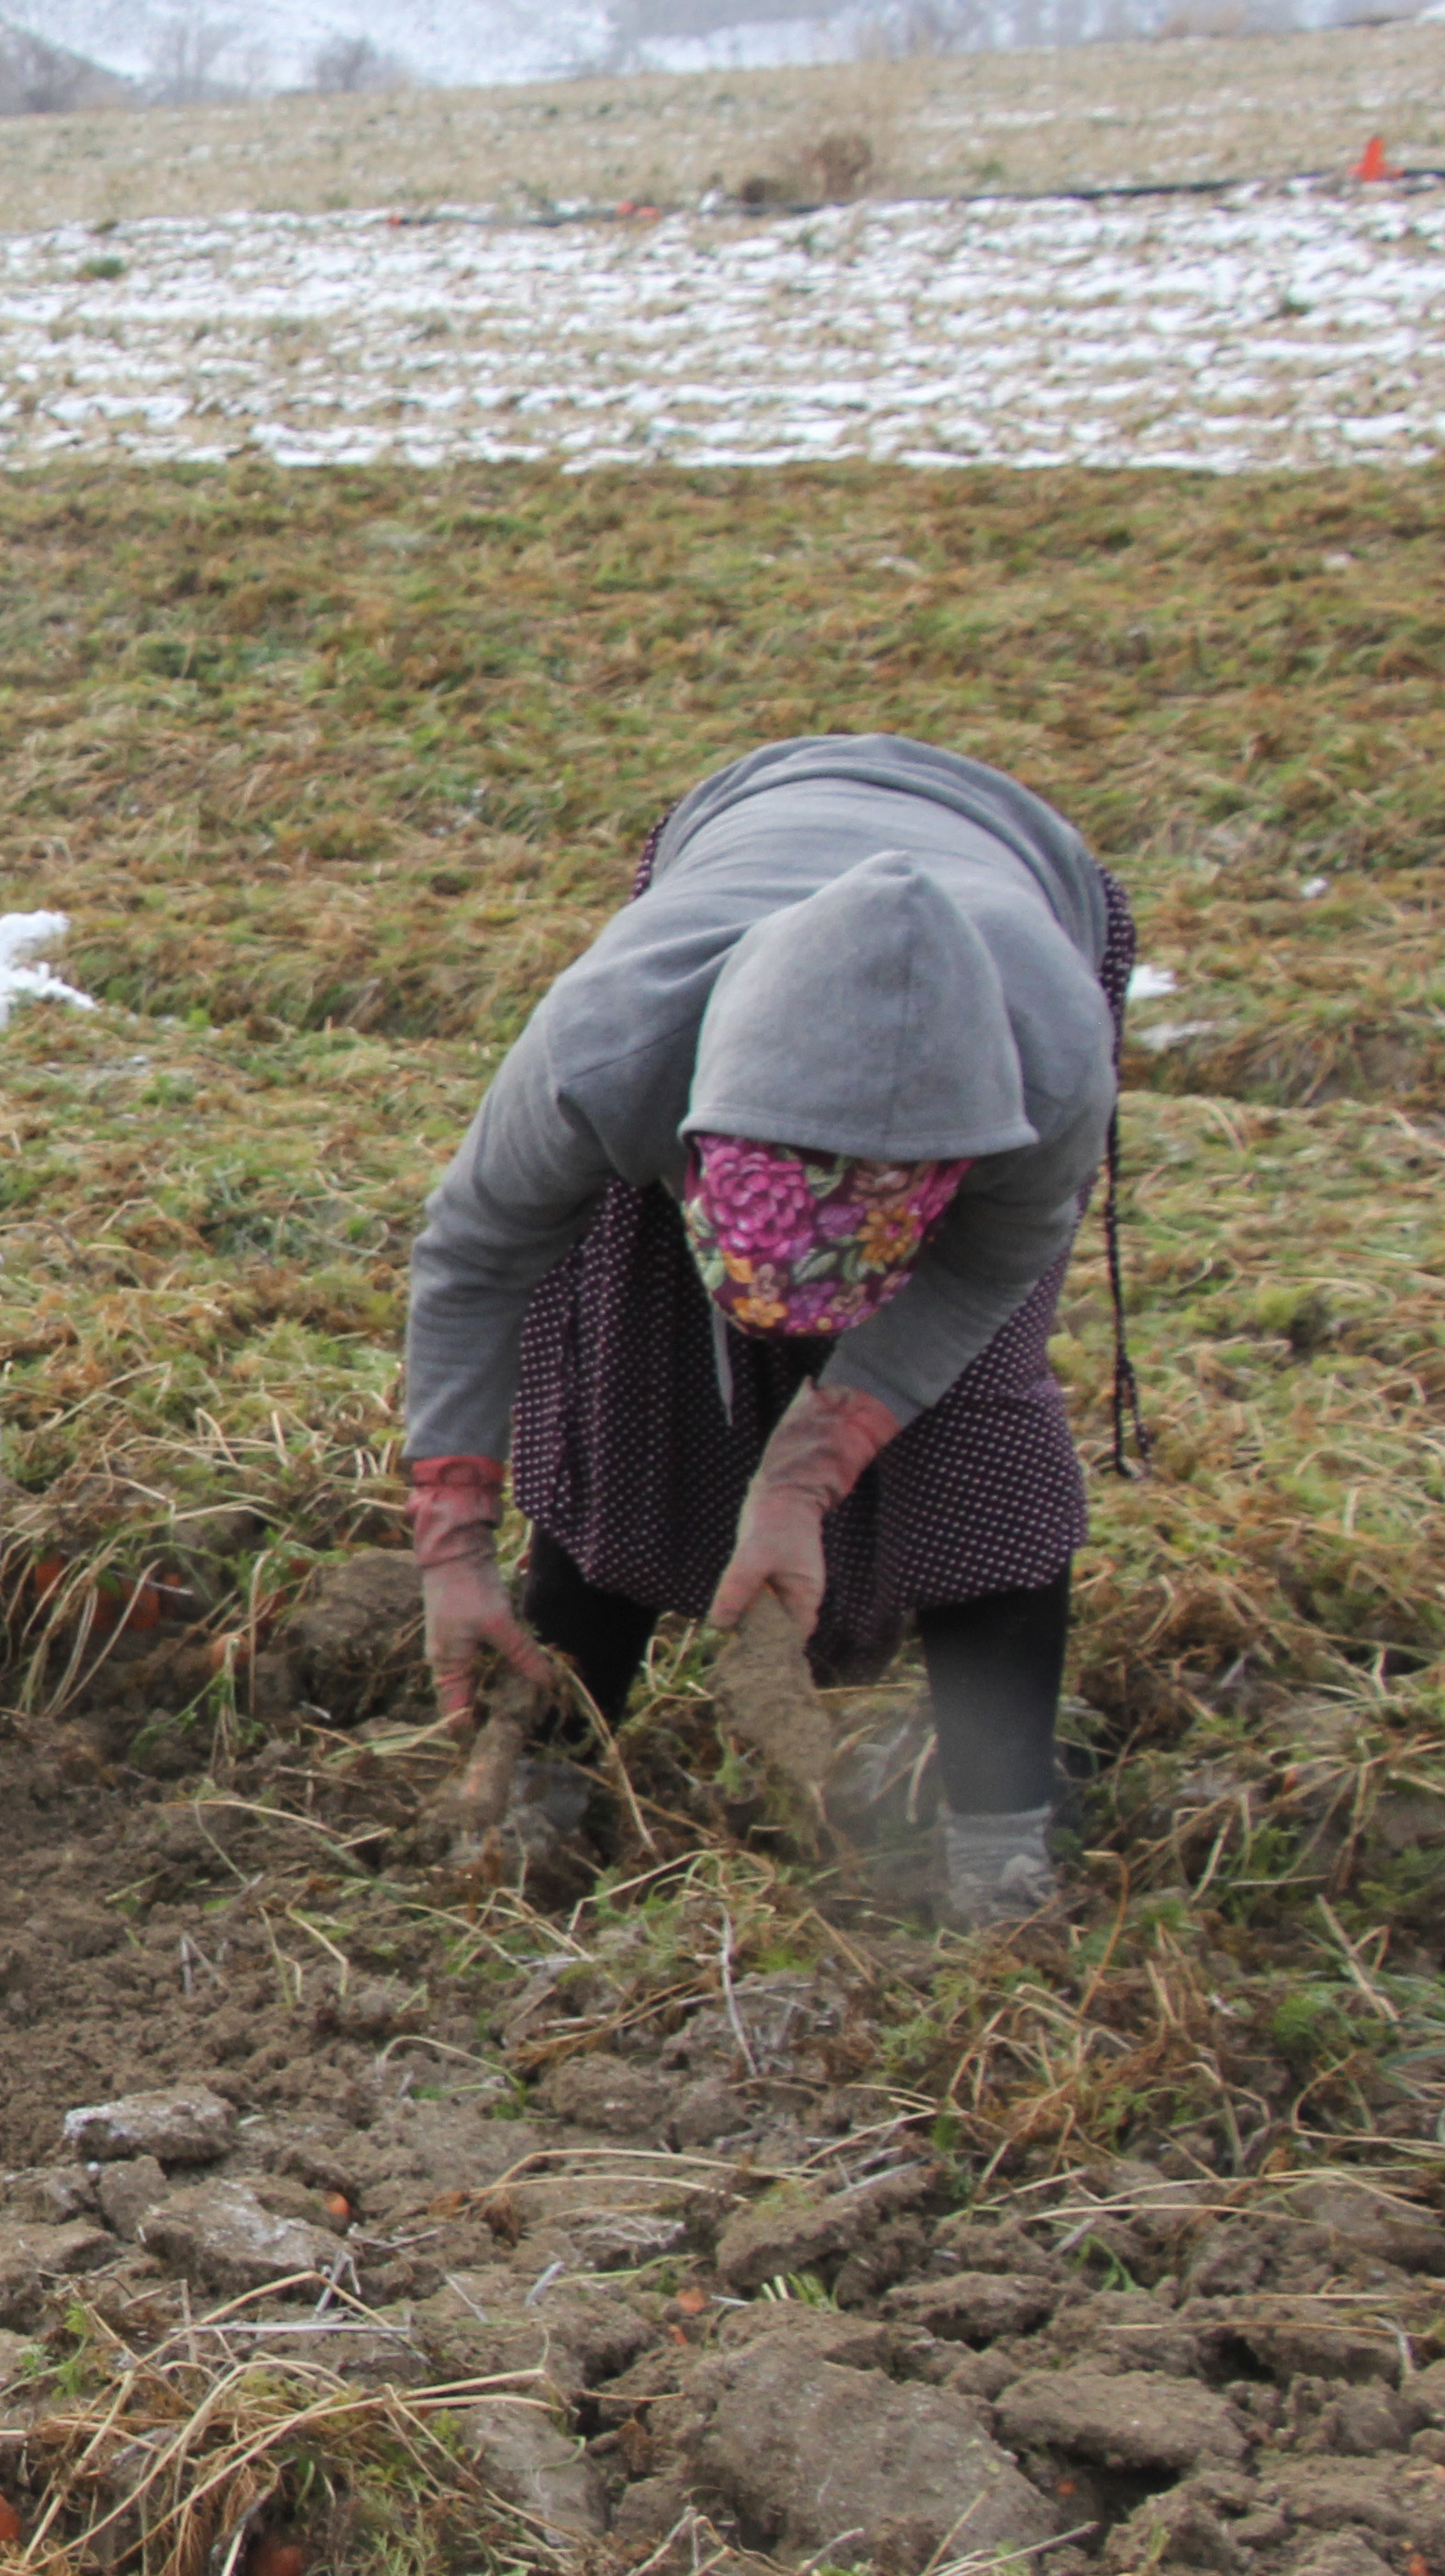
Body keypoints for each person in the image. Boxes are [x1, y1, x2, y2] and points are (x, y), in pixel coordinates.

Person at [401, 736, 1132, 1923]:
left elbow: (989, 1266)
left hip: (1014, 889)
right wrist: (452, 1536)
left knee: (972, 1431)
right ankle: (543, 1787)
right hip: (742, 852)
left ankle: (1000, 1858)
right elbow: (478, 1251)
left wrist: (806, 1471)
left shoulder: (1044, 1077)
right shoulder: (615, 1041)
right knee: (633, 1391)